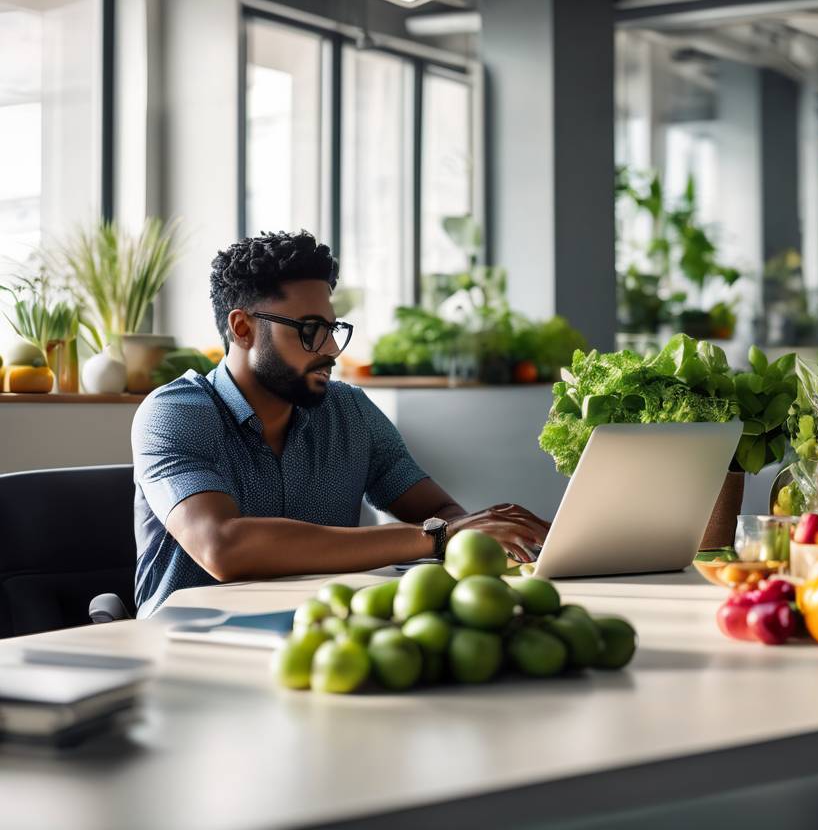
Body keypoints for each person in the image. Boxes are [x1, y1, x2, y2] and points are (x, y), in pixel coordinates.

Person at [131, 231, 550, 617]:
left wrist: (474, 535)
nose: (331, 348)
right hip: (189, 643)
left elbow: (442, 514)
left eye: (333, 328)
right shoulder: (175, 413)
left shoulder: (349, 411)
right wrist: (436, 538)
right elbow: (223, 548)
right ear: (243, 328)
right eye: (310, 330)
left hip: (325, 637)